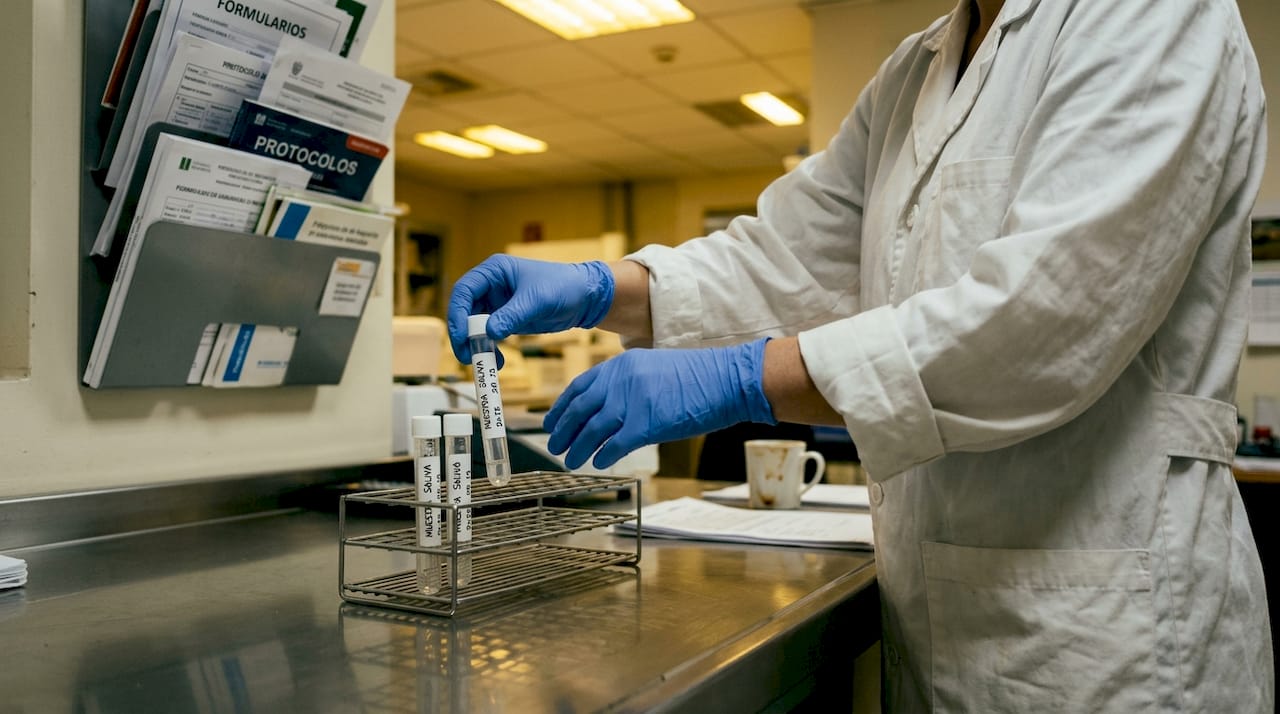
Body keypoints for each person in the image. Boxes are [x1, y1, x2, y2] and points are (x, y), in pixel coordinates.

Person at [448, 0, 1272, 709]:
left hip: (1109, 631)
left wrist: (743, 378)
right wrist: (603, 287)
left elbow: (1039, 324)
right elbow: (787, 259)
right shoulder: (916, 71)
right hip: (943, 613)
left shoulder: (1149, 16)